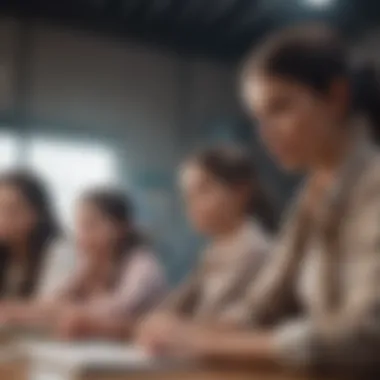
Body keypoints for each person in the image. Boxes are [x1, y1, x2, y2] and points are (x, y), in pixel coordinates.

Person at [136, 25, 380, 375]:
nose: (265, 133)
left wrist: (207, 341)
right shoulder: (311, 195)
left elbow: (369, 333)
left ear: (336, 97)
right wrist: (189, 332)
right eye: (258, 118)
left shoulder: (373, 183)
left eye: (280, 108)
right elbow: (261, 306)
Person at [138, 145, 274, 350]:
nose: (190, 204)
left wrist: (175, 329)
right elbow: (172, 308)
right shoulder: (213, 252)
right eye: (186, 195)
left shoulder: (256, 251)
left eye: (203, 190)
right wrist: (159, 322)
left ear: (240, 192)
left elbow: (219, 323)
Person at [0, 188, 167, 340]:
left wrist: (66, 310)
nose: (81, 236)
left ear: (120, 228)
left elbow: (118, 310)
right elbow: (52, 302)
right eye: (79, 226)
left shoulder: (142, 264)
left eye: (91, 225)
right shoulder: (89, 264)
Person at [0, 169, 64, 300]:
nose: (3, 218)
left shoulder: (58, 252)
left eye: (12, 210)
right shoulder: (7, 254)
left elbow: (50, 308)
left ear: (37, 214)